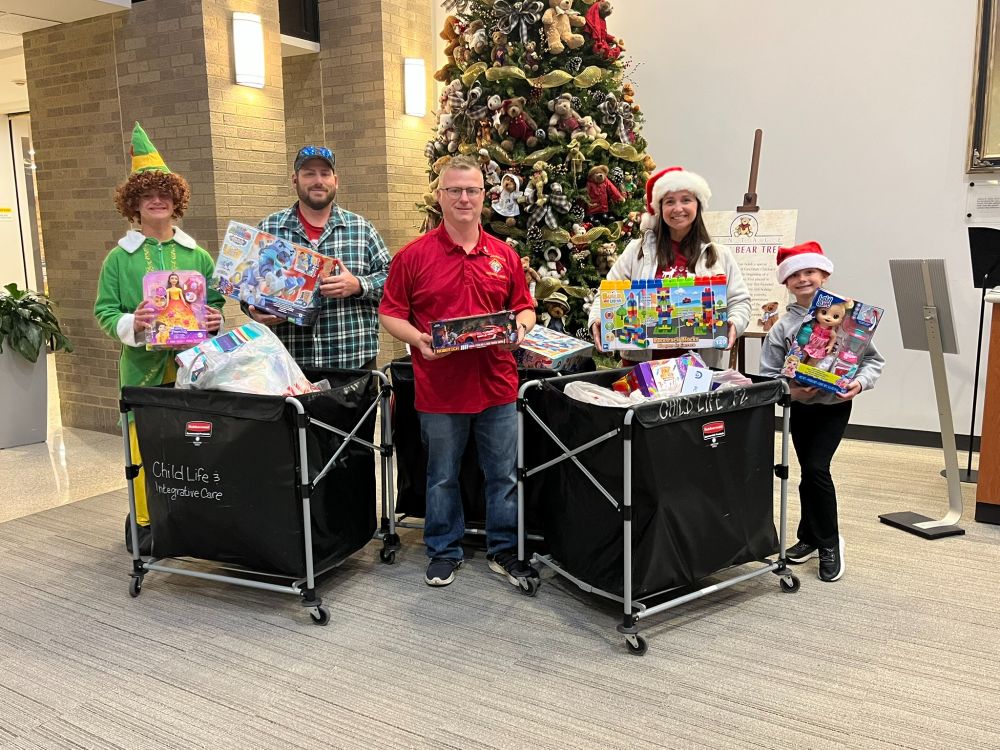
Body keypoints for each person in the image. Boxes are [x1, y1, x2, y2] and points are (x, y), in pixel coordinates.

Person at [378, 154, 538, 588]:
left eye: (472, 190)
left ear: (484, 196)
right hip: (440, 390)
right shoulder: (413, 256)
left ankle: (504, 550)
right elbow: (390, 314)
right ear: (440, 196)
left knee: (503, 474)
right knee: (442, 475)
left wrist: (520, 329)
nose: (464, 198)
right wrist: (419, 340)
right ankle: (444, 551)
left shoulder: (504, 255)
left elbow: (525, 306)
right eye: (455, 190)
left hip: (498, 386)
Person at [94, 122, 225, 554]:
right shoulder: (119, 259)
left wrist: (212, 320)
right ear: (133, 203)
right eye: (148, 194)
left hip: (192, 372)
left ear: (176, 201)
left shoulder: (197, 255)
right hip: (142, 374)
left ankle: (188, 519)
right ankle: (146, 523)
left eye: (164, 194)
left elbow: (217, 305)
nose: (157, 200)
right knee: (144, 453)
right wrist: (136, 321)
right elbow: (104, 312)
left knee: (190, 449)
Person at [759, 241, 884, 582]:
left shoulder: (849, 316)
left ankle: (829, 541)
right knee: (808, 471)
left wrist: (859, 383)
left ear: (824, 274)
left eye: (809, 272)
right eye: (794, 275)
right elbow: (769, 375)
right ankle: (810, 537)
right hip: (800, 408)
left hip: (834, 406)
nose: (803, 279)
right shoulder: (783, 328)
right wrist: (791, 391)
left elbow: (872, 361)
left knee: (816, 468)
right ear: (785, 283)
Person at [587, 166, 751, 367]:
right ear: (659, 208)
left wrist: (734, 324)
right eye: (669, 201)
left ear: (698, 205)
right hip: (640, 369)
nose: (678, 208)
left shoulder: (719, 255)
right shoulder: (636, 251)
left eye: (686, 200)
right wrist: (597, 320)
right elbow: (606, 293)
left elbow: (739, 300)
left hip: (697, 370)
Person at [247, 145, 390, 371]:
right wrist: (255, 311)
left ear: (336, 180)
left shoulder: (362, 229)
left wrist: (358, 285)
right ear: (295, 179)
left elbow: (392, 279)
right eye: (309, 173)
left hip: (353, 364)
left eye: (325, 173)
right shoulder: (270, 228)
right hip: (290, 366)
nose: (318, 181)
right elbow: (249, 286)